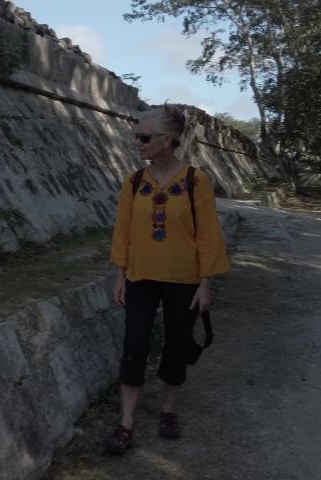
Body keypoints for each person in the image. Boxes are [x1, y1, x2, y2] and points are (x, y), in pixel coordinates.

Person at [102, 102, 231, 454]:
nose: (136, 143)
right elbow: (123, 232)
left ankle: (168, 410)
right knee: (135, 346)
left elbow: (207, 235)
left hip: (184, 278)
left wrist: (206, 283)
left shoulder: (195, 181)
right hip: (140, 277)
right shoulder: (134, 182)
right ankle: (126, 422)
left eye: (143, 137)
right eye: (136, 136)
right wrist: (119, 275)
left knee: (175, 346)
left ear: (166, 141)